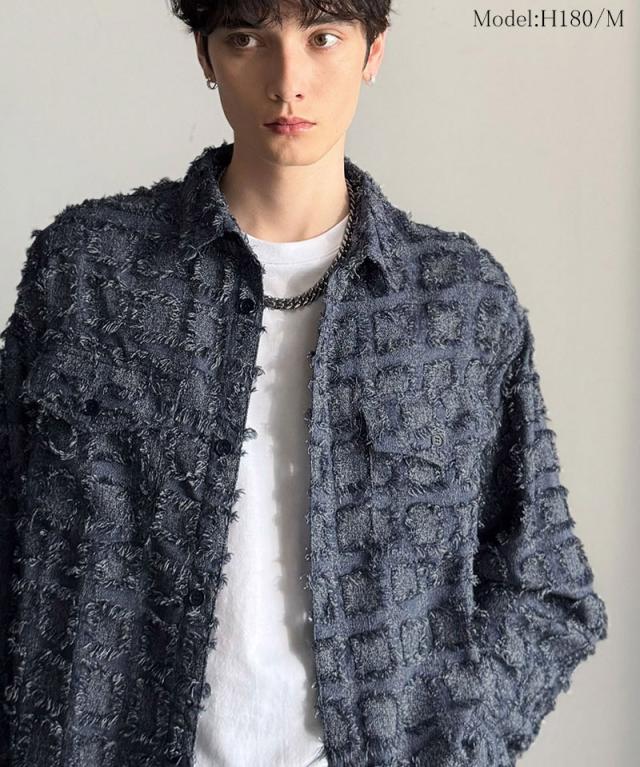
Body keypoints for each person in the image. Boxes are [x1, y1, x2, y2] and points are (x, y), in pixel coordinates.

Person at [0, 1, 608, 766]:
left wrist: (458, 743)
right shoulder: (91, 273)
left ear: (373, 52)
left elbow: (547, 582)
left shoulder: (458, 304)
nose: (288, 81)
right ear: (205, 55)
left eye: (323, 39)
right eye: (246, 39)